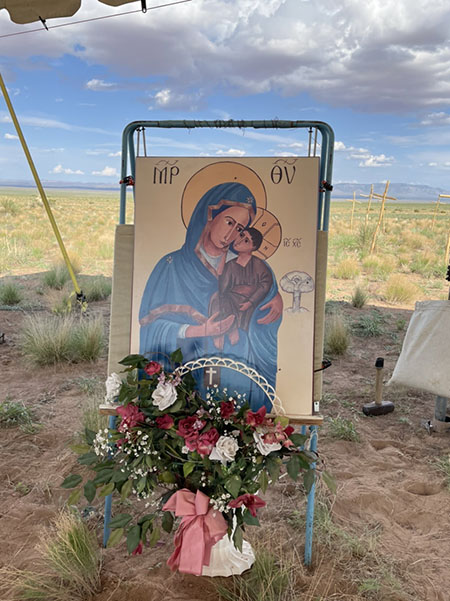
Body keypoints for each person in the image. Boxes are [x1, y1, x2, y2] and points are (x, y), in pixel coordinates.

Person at [138, 181, 282, 411]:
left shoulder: (246, 268)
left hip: (237, 372)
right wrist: (199, 331)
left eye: (239, 229)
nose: (231, 233)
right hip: (187, 372)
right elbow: (150, 327)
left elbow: (262, 308)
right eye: (229, 222)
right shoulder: (170, 266)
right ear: (210, 216)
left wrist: (273, 296)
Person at [209, 227, 273, 350]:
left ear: (253, 248)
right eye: (241, 235)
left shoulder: (258, 265)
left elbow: (265, 285)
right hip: (231, 301)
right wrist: (223, 257)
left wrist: (250, 302)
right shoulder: (230, 265)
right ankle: (221, 332)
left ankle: (228, 331)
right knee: (217, 298)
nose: (239, 241)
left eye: (246, 241)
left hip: (249, 302)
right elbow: (222, 288)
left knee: (222, 300)